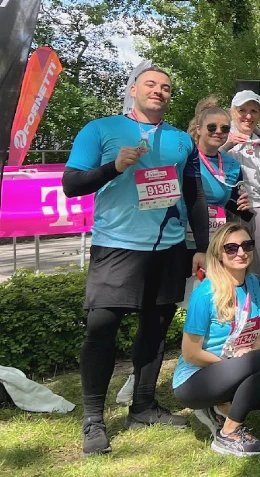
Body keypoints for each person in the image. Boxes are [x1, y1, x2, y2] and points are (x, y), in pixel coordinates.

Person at [63, 66, 206, 456]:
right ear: (132, 90)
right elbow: (71, 185)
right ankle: (94, 419)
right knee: (101, 328)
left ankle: (143, 405)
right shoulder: (101, 129)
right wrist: (115, 167)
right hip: (118, 245)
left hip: (168, 246)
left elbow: (193, 197)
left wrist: (202, 246)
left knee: (156, 327)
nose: (158, 91)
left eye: (165, 87)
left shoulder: (181, 140)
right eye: (150, 85)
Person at [172, 224, 260, 457]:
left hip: (234, 367)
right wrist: (242, 367)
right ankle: (229, 434)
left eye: (247, 245)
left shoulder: (253, 283)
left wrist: (252, 360)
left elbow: (257, 329)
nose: (241, 252)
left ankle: (221, 406)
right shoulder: (205, 293)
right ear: (218, 254)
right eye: (231, 248)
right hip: (195, 379)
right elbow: (190, 353)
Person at [185, 99, 252, 261]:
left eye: (225, 128)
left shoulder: (233, 165)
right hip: (183, 239)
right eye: (212, 127)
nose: (218, 131)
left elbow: (233, 204)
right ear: (198, 129)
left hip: (217, 239)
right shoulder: (185, 158)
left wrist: (243, 205)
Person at [222, 90, 260, 278]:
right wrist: (227, 145)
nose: (248, 116)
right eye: (242, 110)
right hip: (227, 212)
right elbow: (206, 165)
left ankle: (255, 305)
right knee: (230, 271)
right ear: (232, 112)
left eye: (253, 111)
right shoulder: (219, 138)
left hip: (258, 211)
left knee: (257, 272)